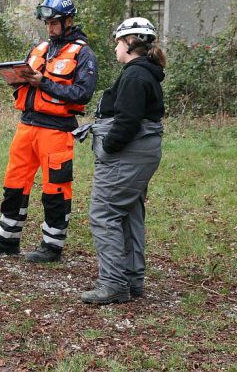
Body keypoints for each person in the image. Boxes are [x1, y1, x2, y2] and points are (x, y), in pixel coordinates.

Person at [0, 0, 98, 263]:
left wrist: (43, 83)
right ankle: (7, 239)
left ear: (68, 21)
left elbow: (83, 94)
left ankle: (52, 245)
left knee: (56, 187)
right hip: (27, 125)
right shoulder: (40, 48)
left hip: (57, 130)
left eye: (55, 22)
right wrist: (17, 80)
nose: (50, 27)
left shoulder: (83, 54)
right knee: (14, 183)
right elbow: (28, 80)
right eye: (48, 23)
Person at [80, 17, 166, 304]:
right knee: (128, 213)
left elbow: (127, 121)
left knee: (104, 214)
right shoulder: (145, 73)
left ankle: (114, 283)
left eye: (118, 41)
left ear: (131, 43)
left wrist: (109, 146)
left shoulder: (135, 75)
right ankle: (131, 279)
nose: (115, 47)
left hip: (126, 156)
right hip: (142, 154)